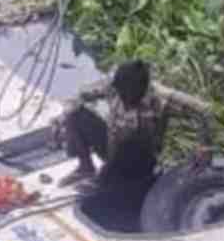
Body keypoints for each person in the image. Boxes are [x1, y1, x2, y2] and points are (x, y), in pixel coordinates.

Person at [57, 59, 214, 189]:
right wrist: (62, 118)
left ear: (142, 90)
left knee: (128, 150)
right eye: (120, 93)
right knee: (74, 114)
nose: (123, 98)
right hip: (112, 147)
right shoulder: (114, 86)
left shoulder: (161, 98)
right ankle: (86, 167)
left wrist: (204, 147)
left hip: (139, 159)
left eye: (128, 95)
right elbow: (79, 96)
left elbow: (204, 110)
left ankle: (108, 179)